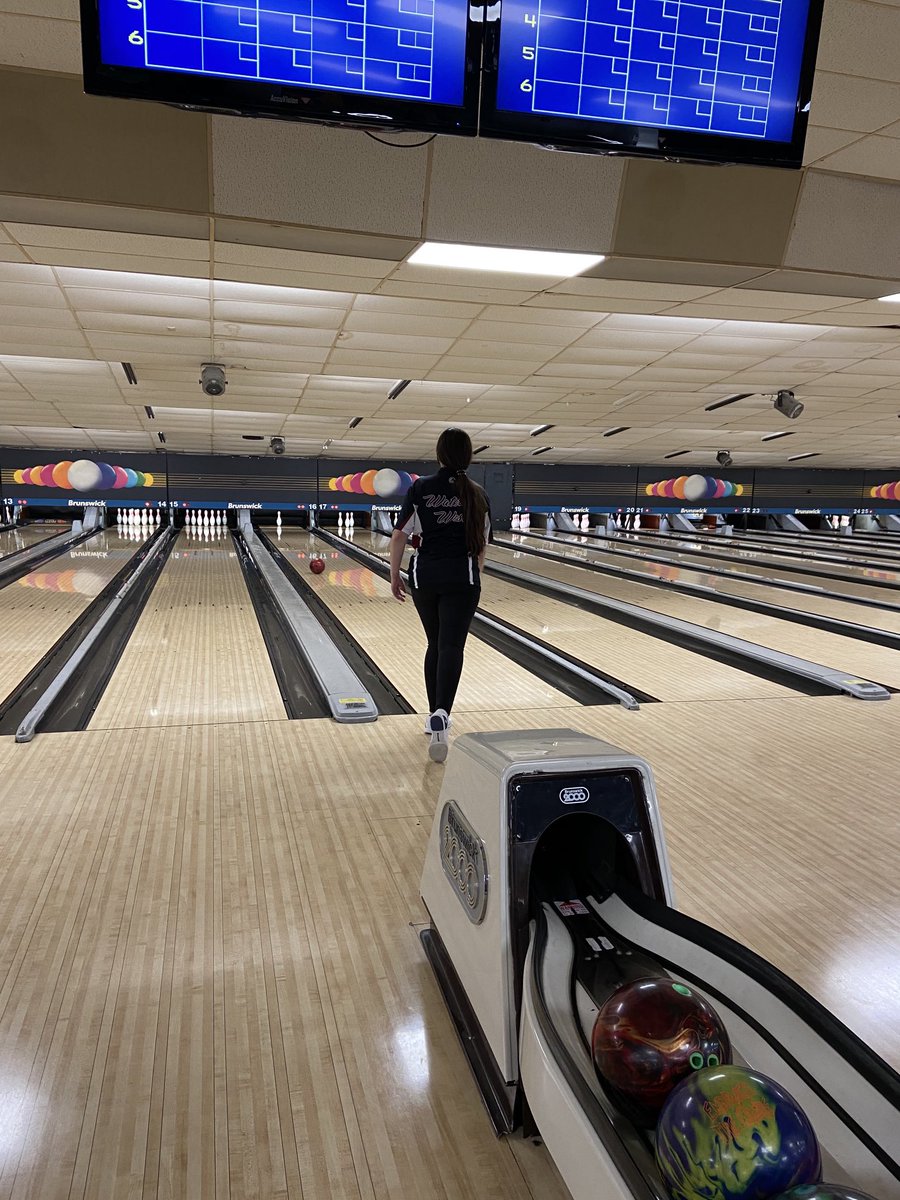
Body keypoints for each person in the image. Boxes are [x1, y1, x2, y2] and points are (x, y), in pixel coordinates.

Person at [390, 429, 491, 762]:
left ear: (439, 455)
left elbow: (399, 535)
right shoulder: (478, 494)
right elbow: (481, 548)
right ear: (469, 456)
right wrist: (473, 577)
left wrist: (394, 575)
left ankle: (433, 713)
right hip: (462, 577)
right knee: (451, 646)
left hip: (425, 576)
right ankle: (443, 716)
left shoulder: (420, 488)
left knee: (435, 644)